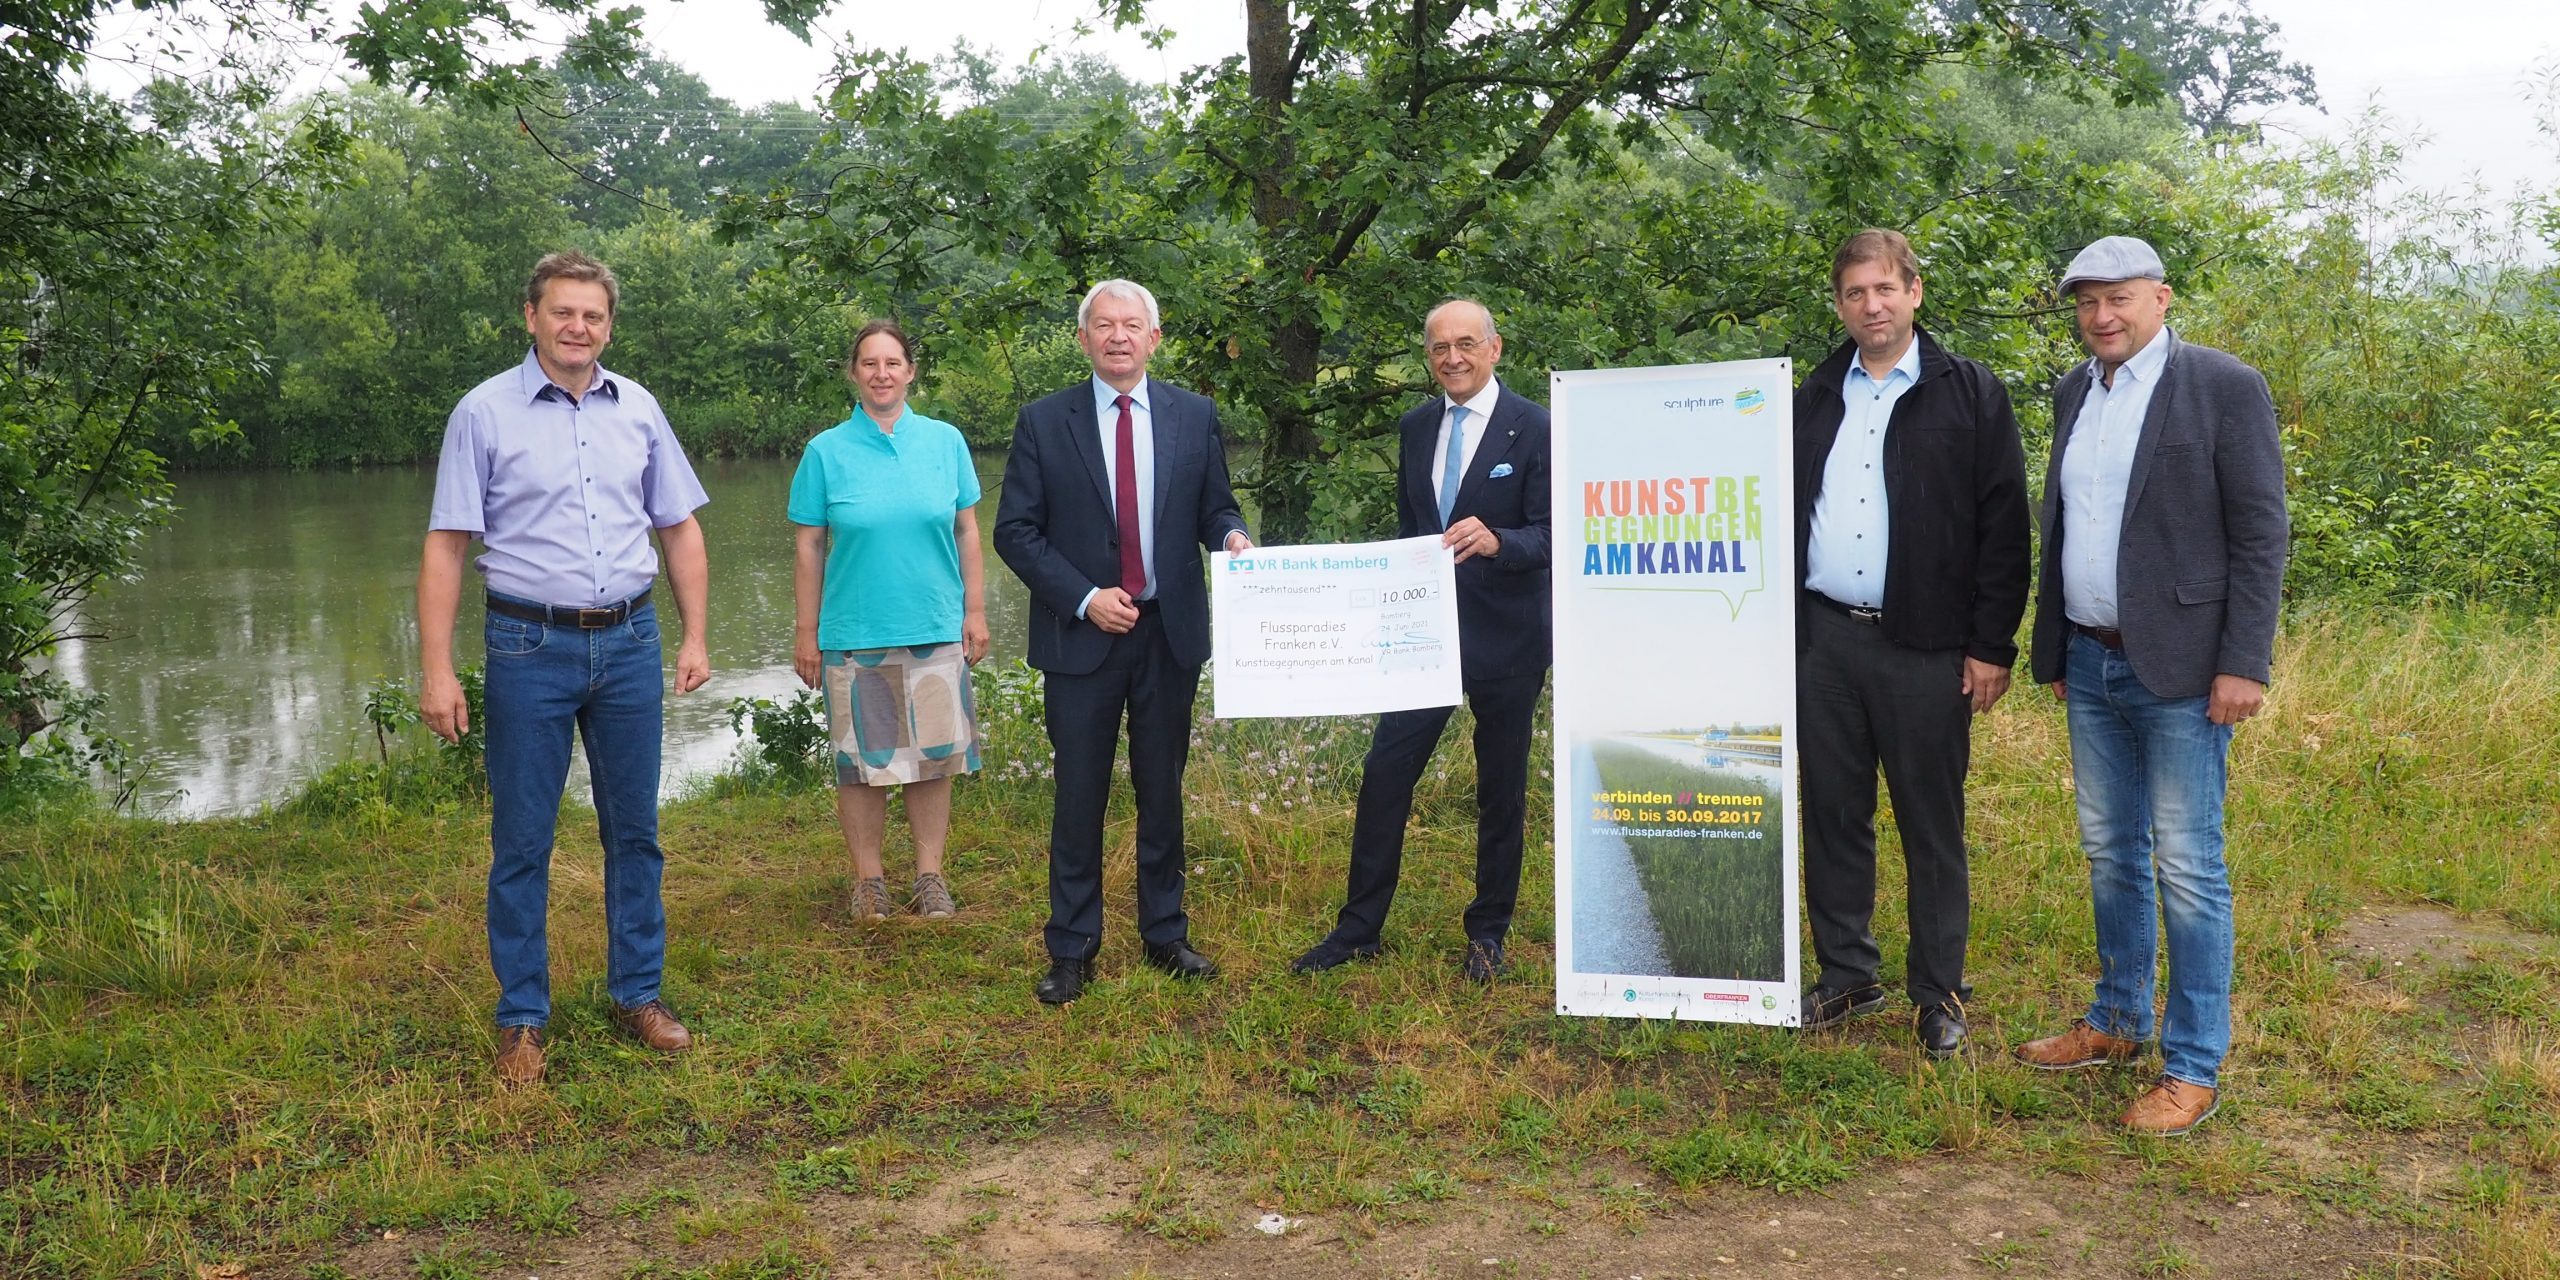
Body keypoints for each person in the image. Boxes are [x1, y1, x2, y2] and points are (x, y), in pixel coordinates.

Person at [2014, 236, 2287, 1136]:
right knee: (2110, 852)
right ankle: (2119, 1021)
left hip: (2183, 670)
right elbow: (2065, 531)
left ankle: (2195, 1065)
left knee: (2189, 867)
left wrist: (2244, 662)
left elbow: (2259, 535)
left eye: (2120, 298)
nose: (2103, 316)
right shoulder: (2072, 394)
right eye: (2088, 301)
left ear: (2160, 298)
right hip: (2092, 663)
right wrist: (2055, 650)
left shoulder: (2222, 387)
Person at [419, 249, 712, 1087]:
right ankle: (520, 1019)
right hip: (526, 646)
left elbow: (679, 528)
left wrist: (694, 636)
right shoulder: (482, 413)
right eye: (563, 312)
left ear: (608, 325)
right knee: (522, 839)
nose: (578, 326)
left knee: (636, 832)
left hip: (628, 643)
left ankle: (639, 995)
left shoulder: (640, 408)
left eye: (593, 315)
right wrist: (437, 669)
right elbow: (446, 547)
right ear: (532, 316)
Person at [1791, 230, 2032, 1057]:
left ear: (1916, 293)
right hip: (1824, 640)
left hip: (1927, 648)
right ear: (1840, 304)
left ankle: (1939, 992)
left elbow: (2005, 528)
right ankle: (1847, 974)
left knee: (1931, 824)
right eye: (1855, 293)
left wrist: (1990, 645)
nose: (1872, 306)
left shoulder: (1968, 392)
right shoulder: (1816, 393)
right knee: (1833, 815)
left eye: (1885, 289)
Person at [993, 279, 1253, 1005]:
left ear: (1154, 338)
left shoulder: (1193, 415)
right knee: (1079, 796)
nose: (1117, 337)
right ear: (1083, 339)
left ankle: (1165, 934)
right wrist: (1082, 598)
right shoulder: (1045, 422)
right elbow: (1015, 532)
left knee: (1161, 791)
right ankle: (1072, 948)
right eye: (1103, 325)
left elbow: (1216, 508)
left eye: (1131, 325)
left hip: (1168, 636)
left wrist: (1231, 537)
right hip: (1082, 640)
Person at [1289, 299, 1552, 984]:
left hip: (1508, 638)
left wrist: (1502, 541)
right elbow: (1413, 533)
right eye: (1439, 347)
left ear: (1495, 348)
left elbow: (1559, 534)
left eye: (1467, 344)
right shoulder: (1415, 427)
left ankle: (1488, 933)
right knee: (1384, 774)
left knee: (1501, 789)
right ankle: (1358, 930)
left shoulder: (1538, 427)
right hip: (1422, 635)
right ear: (1427, 356)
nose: (1453, 358)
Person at [789, 320, 990, 923]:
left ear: (911, 372)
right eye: (869, 363)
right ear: (854, 373)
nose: (882, 373)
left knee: (933, 760)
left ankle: (930, 875)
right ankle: (869, 880)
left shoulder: (945, 441)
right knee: (861, 766)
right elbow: (808, 547)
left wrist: (974, 611)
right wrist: (807, 632)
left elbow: (968, 531)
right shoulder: (826, 451)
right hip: (854, 631)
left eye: (893, 363)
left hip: (934, 625)